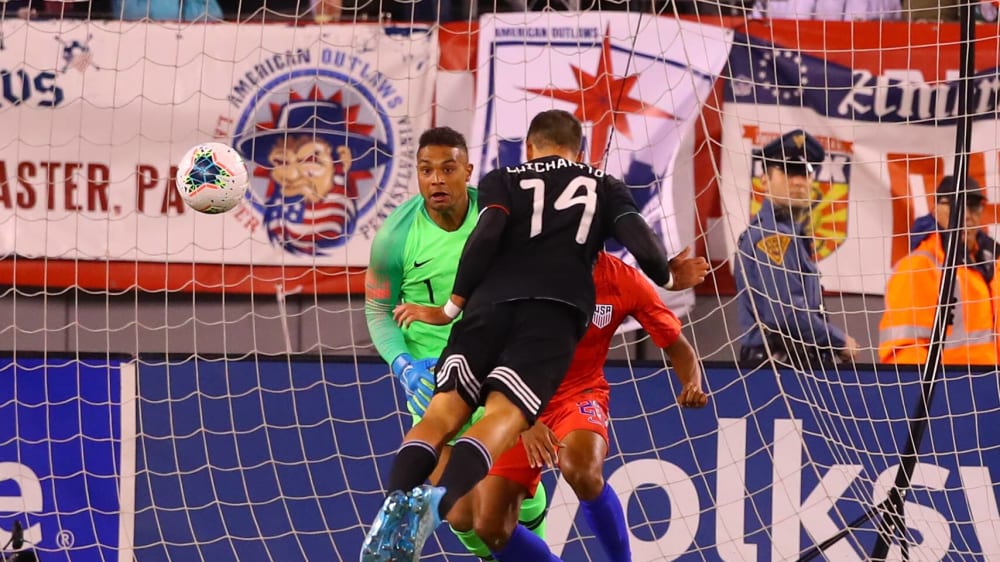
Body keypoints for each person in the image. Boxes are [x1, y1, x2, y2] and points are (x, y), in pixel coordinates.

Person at [360, 109, 710, 562]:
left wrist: (448, 309)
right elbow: (638, 235)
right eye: (427, 169)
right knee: (488, 479)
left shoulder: (502, 183)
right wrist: (666, 273)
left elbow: (482, 240)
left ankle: (399, 500)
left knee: (465, 427)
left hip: (509, 338)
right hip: (538, 339)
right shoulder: (601, 189)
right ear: (581, 155)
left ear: (527, 150)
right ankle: (433, 501)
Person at [447, 251, 708, 562]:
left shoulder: (624, 279)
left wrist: (692, 383)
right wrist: (526, 420)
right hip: (515, 400)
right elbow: (486, 355)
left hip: (579, 395)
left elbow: (678, 347)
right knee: (489, 526)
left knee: (580, 469)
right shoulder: (518, 272)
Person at [364, 126, 550, 558]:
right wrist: (404, 366)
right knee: (462, 514)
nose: (436, 180)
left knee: (514, 502)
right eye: (426, 170)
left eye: (448, 169)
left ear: (467, 171)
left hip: (499, 375)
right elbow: (378, 311)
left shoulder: (501, 220)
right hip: (434, 387)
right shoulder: (396, 236)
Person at [734, 129, 859, 370]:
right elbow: (786, 315)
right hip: (777, 369)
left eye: (805, 172)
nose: (799, 181)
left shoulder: (789, 233)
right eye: (788, 171)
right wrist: (838, 340)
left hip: (792, 364)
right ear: (764, 181)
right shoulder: (773, 236)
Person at [879, 175, 1000, 365]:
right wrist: (932, 393)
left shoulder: (993, 264)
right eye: (957, 205)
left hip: (991, 388)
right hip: (951, 389)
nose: (967, 215)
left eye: (974, 206)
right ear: (936, 209)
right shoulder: (919, 266)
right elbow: (904, 351)